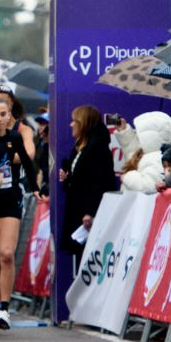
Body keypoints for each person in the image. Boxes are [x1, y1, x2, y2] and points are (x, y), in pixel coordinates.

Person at [0, 96, 38, 330]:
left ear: (9, 115)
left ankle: (3, 308)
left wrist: (36, 188)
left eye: (4, 114)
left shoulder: (14, 137)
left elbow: (27, 163)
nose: (0, 119)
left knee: (6, 254)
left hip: (10, 200)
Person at [60, 105, 116, 260]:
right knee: (79, 255)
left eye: (74, 121)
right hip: (77, 209)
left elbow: (101, 182)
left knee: (86, 257)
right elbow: (81, 179)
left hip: (88, 213)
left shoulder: (97, 147)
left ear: (84, 123)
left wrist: (90, 212)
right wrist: (68, 178)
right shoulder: (80, 147)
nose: (71, 124)